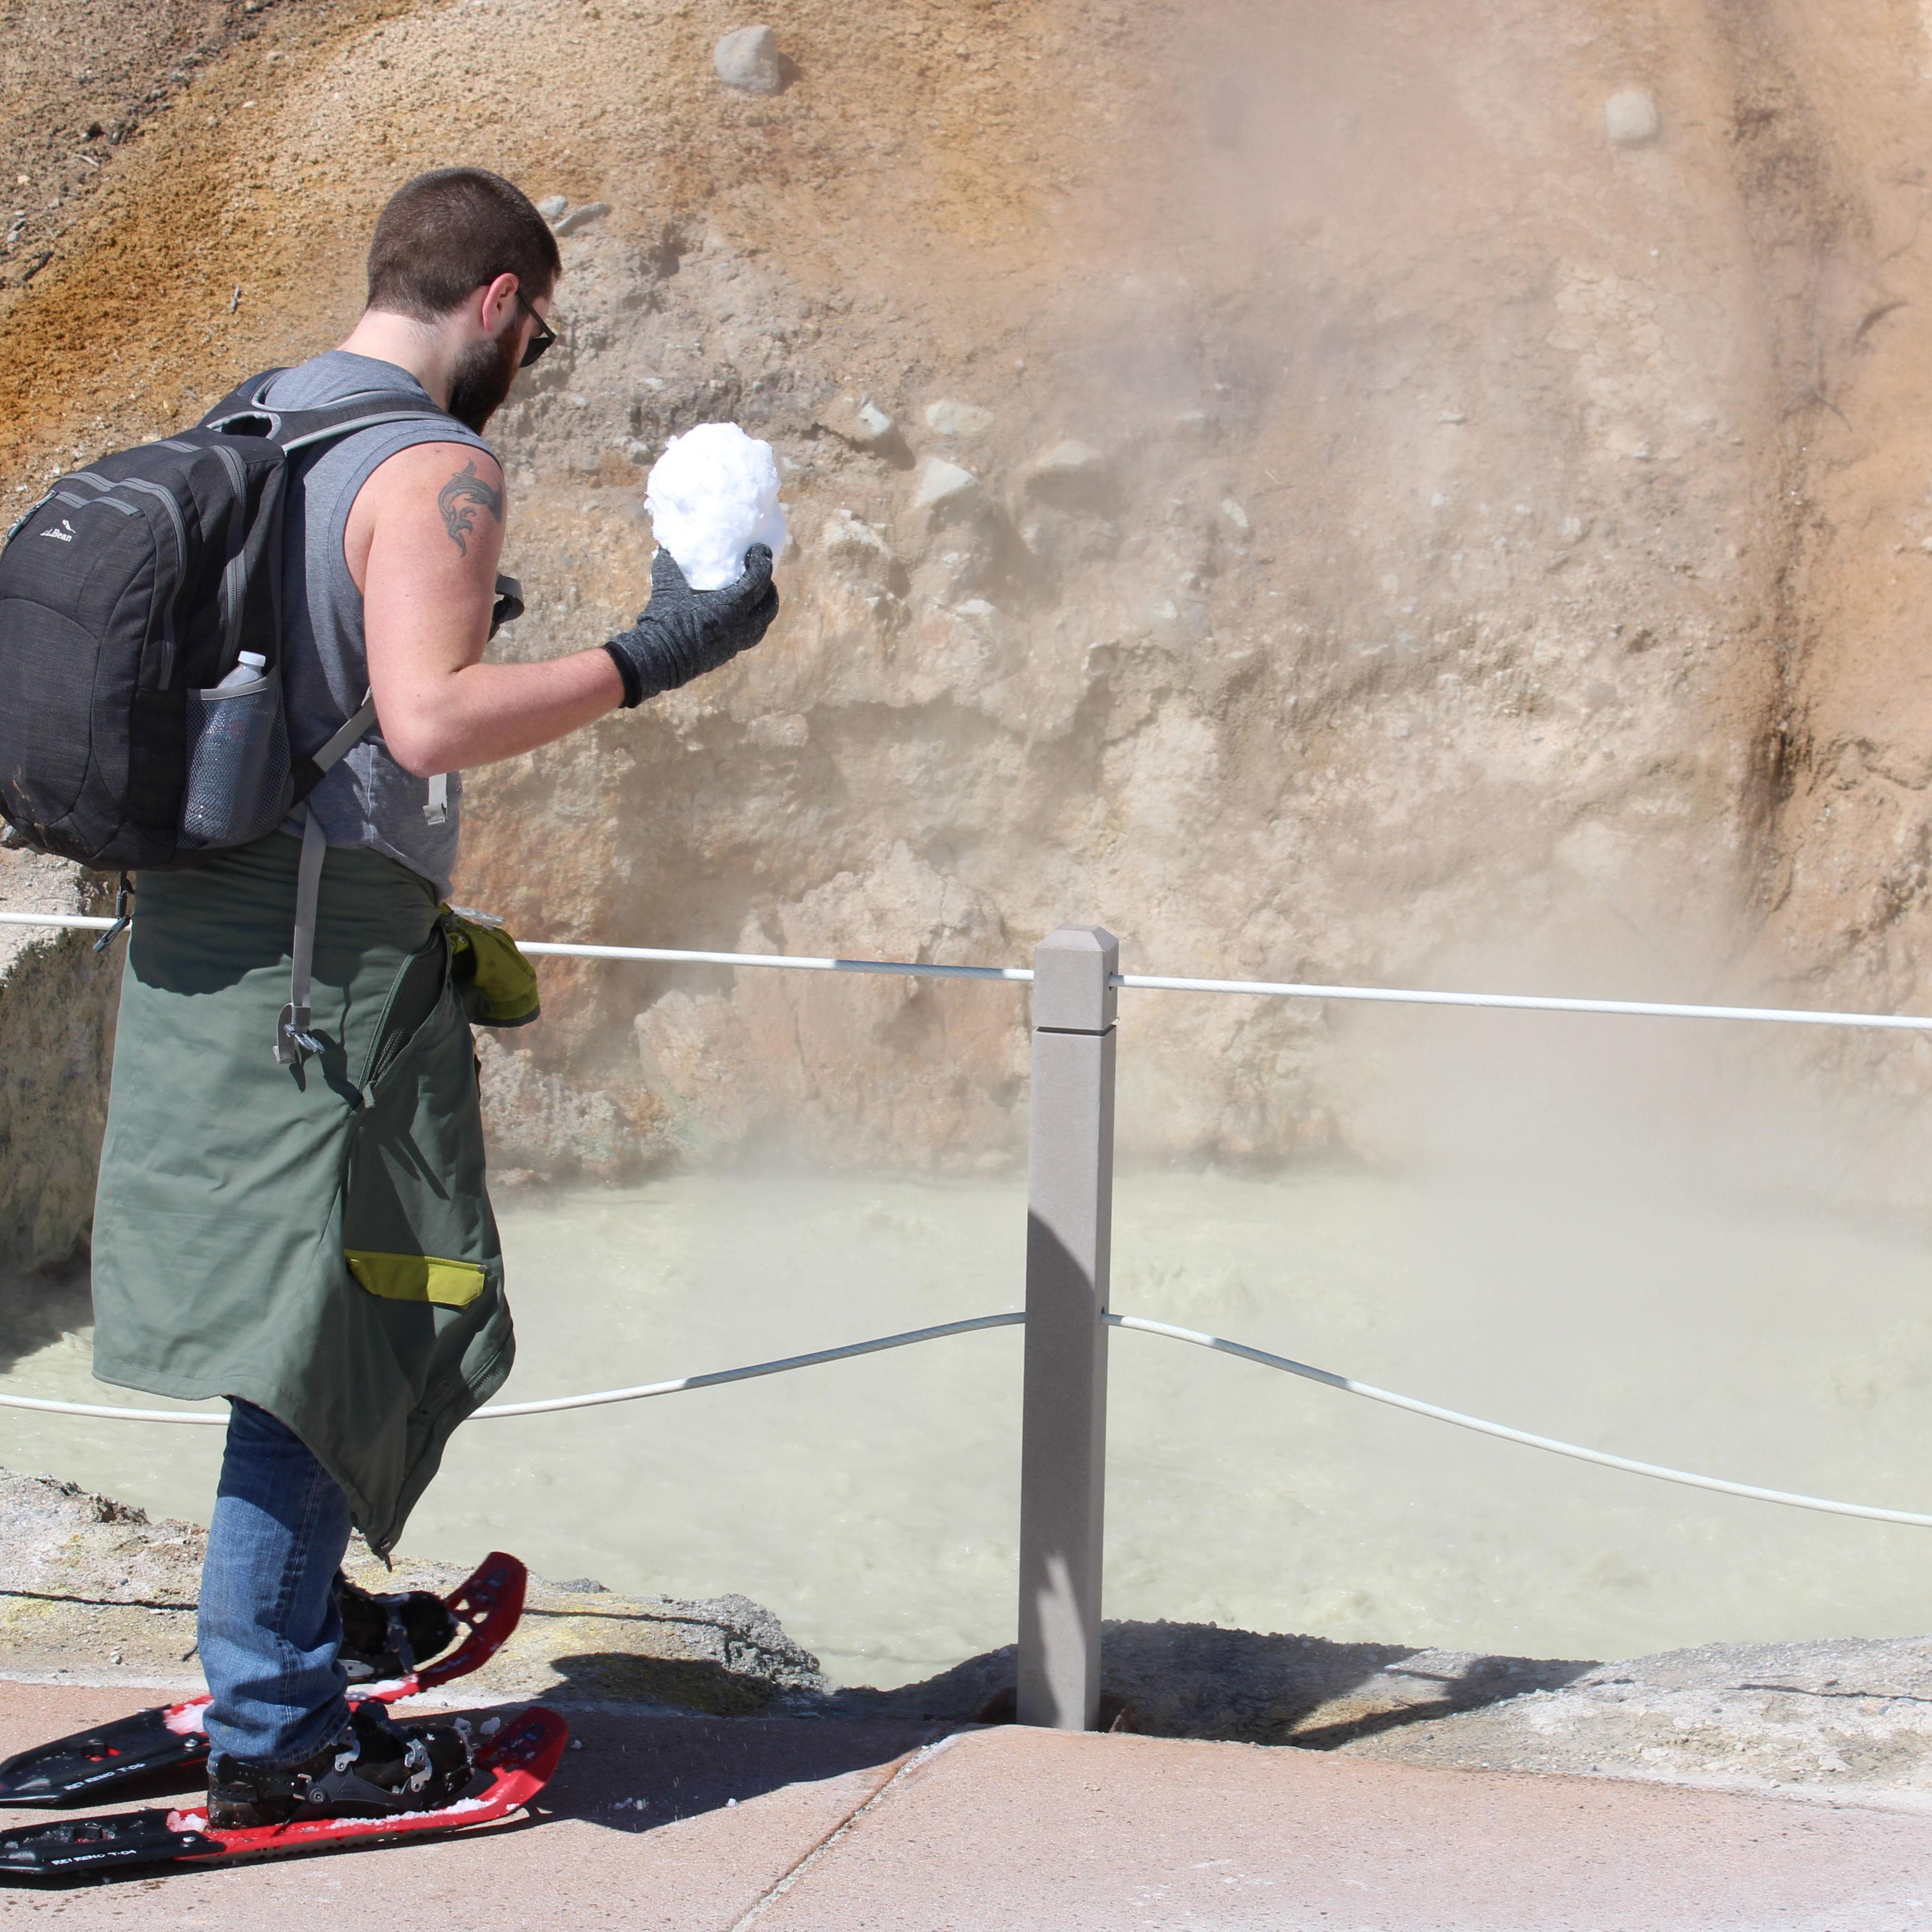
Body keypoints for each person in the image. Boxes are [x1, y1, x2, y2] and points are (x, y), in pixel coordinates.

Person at [86, 167, 779, 1825]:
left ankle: (297, 1624)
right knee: (327, 1326)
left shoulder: (258, 420)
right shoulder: (433, 460)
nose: (532, 357)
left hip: (203, 931)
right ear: (497, 301)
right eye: (539, 329)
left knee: (301, 1297)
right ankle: (279, 1731)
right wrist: (668, 644)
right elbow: (430, 720)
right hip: (317, 958)